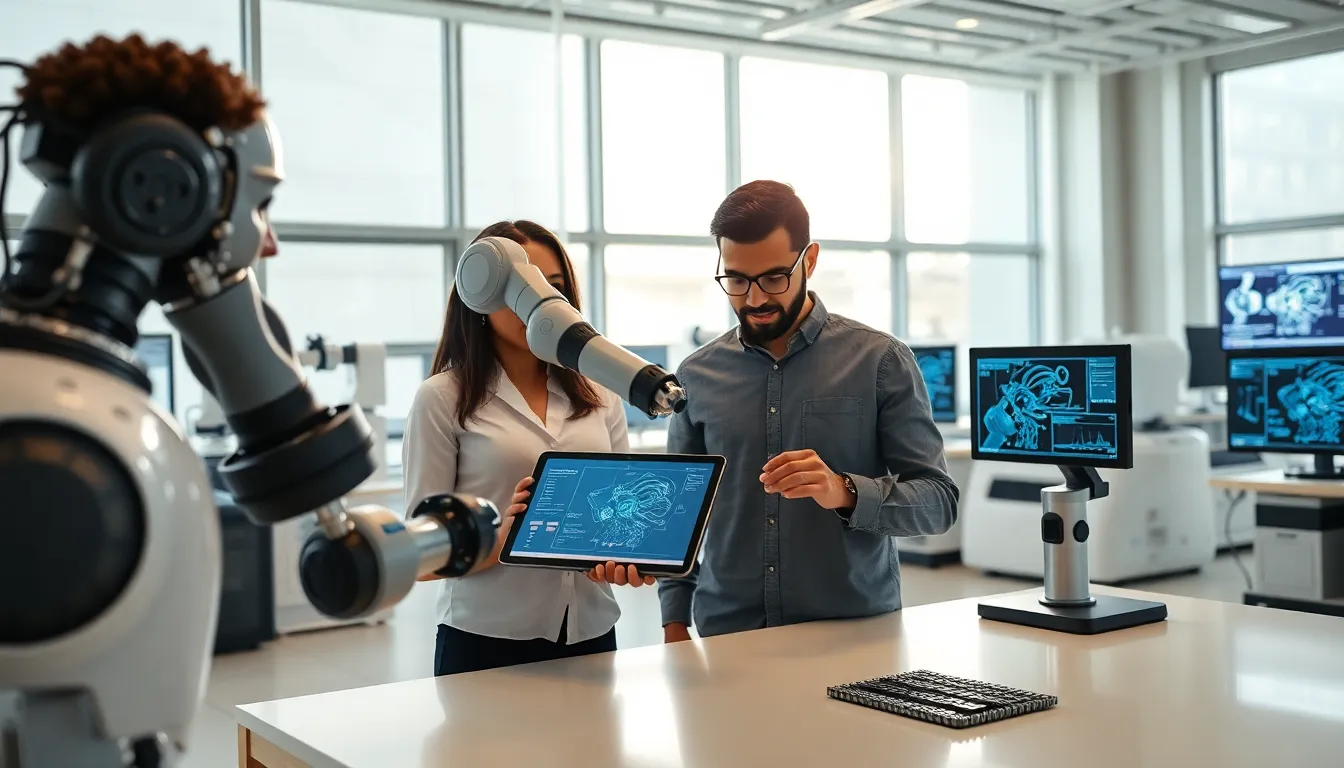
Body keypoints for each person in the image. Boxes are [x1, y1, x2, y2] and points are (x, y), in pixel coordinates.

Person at [659, 181, 960, 642]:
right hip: (729, 639)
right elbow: (675, 515)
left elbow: (939, 503)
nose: (754, 299)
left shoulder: (880, 361)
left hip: (855, 638)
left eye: (774, 278)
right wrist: (674, 623)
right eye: (736, 280)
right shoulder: (696, 376)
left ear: (811, 260)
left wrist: (845, 491)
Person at [404, 220, 654, 676]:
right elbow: (419, 558)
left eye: (552, 288)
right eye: (521, 287)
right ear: (478, 291)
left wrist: (629, 557)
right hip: (486, 643)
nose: (538, 305)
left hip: (591, 634)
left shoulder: (602, 391)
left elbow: (620, 516)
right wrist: (499, 541)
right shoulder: (442, 398)